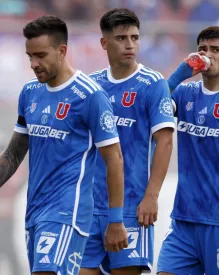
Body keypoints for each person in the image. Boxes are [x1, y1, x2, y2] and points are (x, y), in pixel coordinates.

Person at [0, 16, 128, 275]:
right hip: (35, 210)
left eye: (40, 55)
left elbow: (114, 158)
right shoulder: (30, 93)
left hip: (68, 211)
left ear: (62, 51)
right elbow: (14, 152)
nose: (34, 64)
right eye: (29, 56)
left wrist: (116, 220)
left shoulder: (90, 96)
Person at [157, 26, 219, 275]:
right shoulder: (184, 92)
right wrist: (179, 74)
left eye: (216, 50)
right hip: (183, 219)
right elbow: (154, 105)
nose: (208, 55)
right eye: (203, 49)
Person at [80, 9, 175, 275]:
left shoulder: (153, 83)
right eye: (121, 38)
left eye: (134, 37)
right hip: (90, 206)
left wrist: (152, 196)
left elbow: (165, 142)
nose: (130, 44)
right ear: (104, 43)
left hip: (133, 207)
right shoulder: (92, 85)